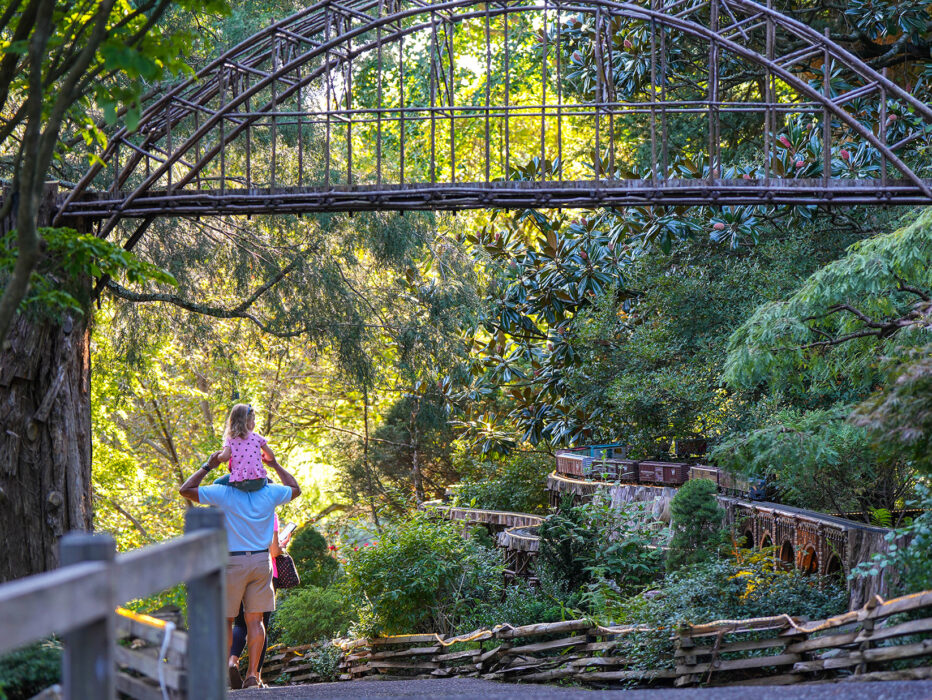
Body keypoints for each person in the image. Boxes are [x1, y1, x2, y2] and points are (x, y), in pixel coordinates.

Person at [179, 451, 300, 689]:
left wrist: (209, 465)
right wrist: (274, 463)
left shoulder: (222, 493)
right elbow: (295, 488)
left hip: (231, 561)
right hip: (260, 561)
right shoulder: (270, 493)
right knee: (255, 621)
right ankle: (253, 675)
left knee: (227, 620)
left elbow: (186, 489)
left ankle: (227, 667)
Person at [227, 513, 293, 686]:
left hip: (235, 568)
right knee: (259, 623)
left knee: (240, 623)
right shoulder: (268, 511)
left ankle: (232, 661)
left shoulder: (234, 507)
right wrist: (282, 545)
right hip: (263, 572)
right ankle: (254, 676)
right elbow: (273, 550)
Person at [215, 403, 275, 492]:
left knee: (217, 483)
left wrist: (218, 456)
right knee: (267, 479)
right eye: (253, 420)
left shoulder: (231, 439)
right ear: (249, 422)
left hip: (240, 482)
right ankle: (266, 481)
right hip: (259, 482)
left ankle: (229, 500)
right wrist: (264, 457)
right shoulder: (257, 437)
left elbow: (224, 458)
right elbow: (271, 456)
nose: (254, 423)